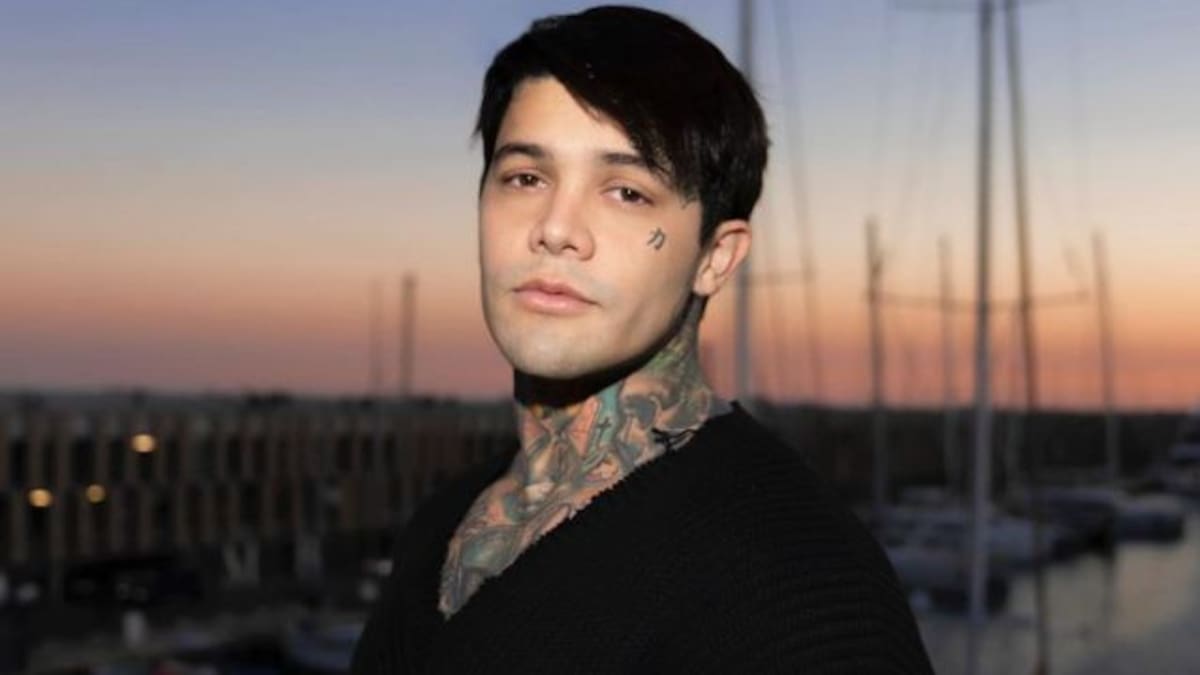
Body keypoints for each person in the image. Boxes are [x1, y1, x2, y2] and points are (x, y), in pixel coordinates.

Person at [352, 6, 932, 673]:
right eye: (525, 178)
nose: (556, 228)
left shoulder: (800, 591)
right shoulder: (442, 524)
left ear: (716, 256)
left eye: (626, 192)